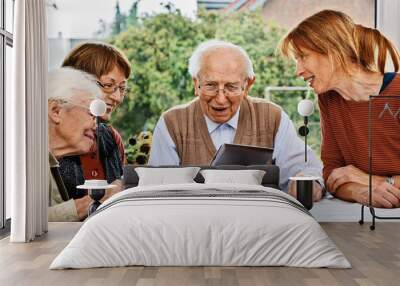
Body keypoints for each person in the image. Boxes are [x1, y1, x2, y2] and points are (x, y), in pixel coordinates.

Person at [149, 39, 324, 200]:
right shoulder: (172, 123)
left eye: (231, 87)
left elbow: (306, 169)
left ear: (247, 85)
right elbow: (160, 188)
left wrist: (306, 180)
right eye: (210, 86)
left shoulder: (273, 117)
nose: (220, 99)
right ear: (196, 84)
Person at [280, 10, 400, 208]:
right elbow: (333, 175)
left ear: (333, 51)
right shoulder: (329, 99)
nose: (298, 71)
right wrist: (361, 191)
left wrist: (373, 181)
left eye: (303, 57)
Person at [59, 42, 131, 201]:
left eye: (122, 88)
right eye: (108, 85)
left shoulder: (112, 137)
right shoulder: (51, 136)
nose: (117, 97)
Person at [48, 67, 114, 221]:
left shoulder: (48, 162)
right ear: (56, 111)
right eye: (91, 113)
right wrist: (98, 199)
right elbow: (25, 220)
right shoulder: (20, 160)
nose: (96, 126)